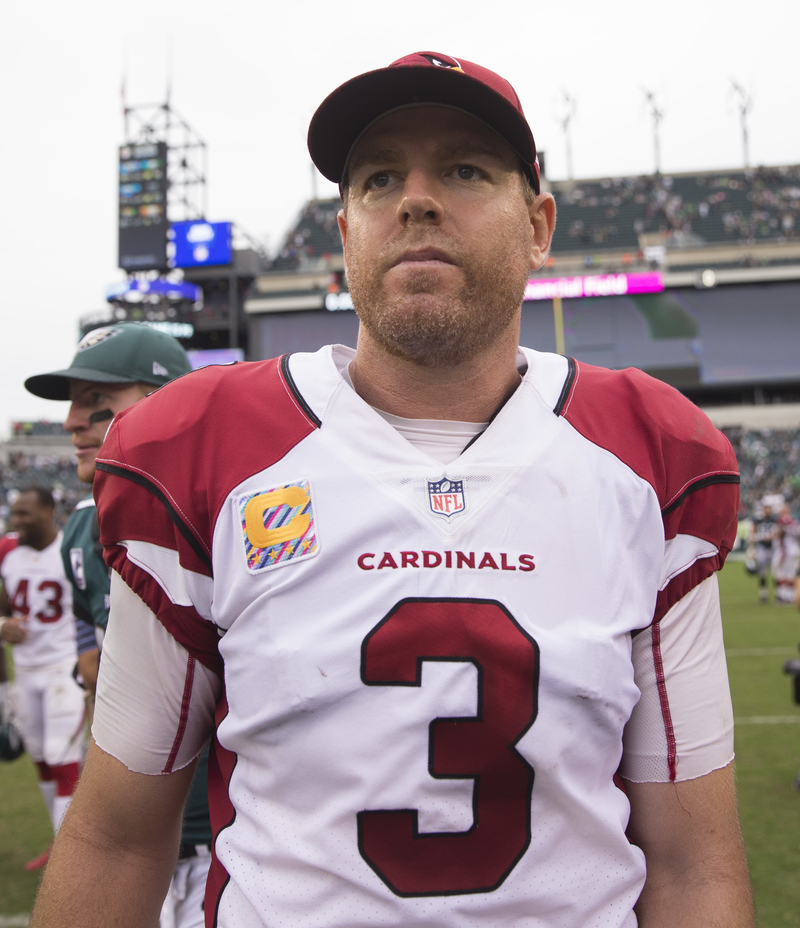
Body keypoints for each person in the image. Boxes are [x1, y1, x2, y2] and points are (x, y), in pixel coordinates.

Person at [32, 52, 753, 927]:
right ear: (345, 235)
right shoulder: (207, 452)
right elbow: (118, 836)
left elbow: (694, 862)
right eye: (379, 178)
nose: (416, 198)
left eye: (463, 168)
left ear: (538, 225)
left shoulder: (647, 457)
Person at [25, 322, 211, 928]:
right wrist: (89, 653)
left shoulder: (234, 510)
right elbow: (90, 626)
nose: (73, 422)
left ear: (169, 402)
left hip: (225, 828)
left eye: (97, 405)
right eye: (73, 406)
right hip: (128, 824)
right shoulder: (82, 529)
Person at [0, 487, 85, 869]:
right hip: (26, 672)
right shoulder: (8, 553)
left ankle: (69, 860)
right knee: (41, 759)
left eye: (24, 514)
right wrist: (3, 625)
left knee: (60, 756)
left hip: (62, 669)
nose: (16, 521)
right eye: (14, 513)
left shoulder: (71, 550)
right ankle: (59, 842)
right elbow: (3, 608)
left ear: (49, 511)